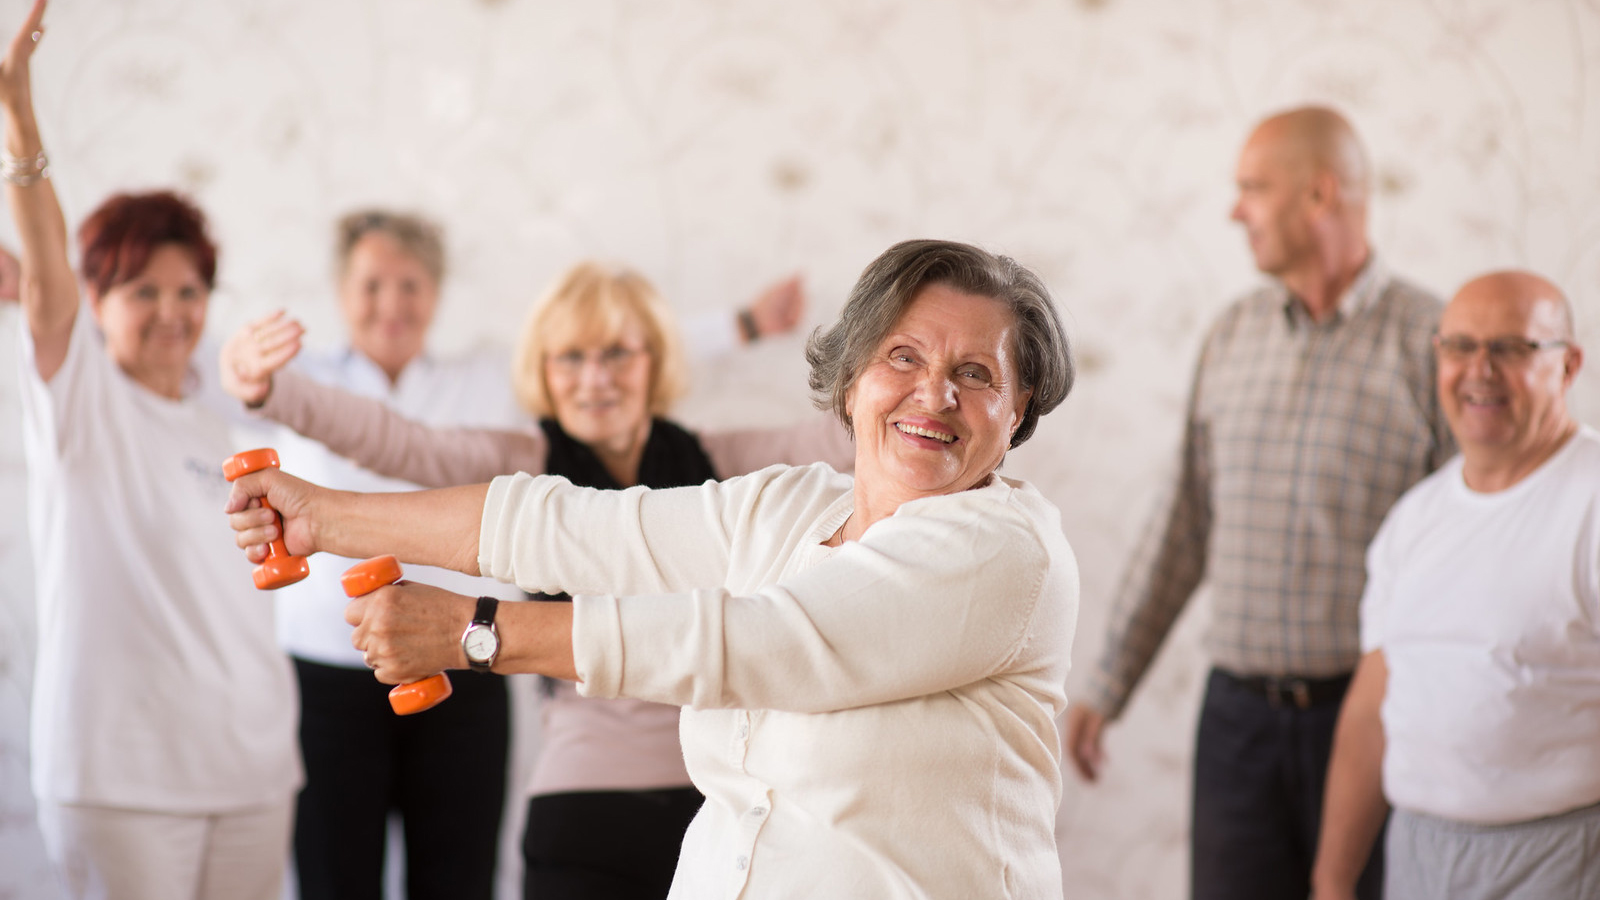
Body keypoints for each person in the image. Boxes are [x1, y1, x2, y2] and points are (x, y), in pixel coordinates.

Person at [224, 238, 1079, 899]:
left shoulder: (1004, 549)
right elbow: (577, 525)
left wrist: (476, 631)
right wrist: (319, 515)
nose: (935, 396)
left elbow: (756, 644)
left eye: (975, 374)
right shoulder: (788, 506)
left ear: (1020, 409)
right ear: (850, 381)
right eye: (903, 357)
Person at [1063, 105, 1455, 900]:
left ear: (1318, 196)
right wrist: (1110, 681)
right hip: (1236, 725)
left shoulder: (1437, 342)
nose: (1234, 210)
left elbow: (1467, 554)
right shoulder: (1230, 336)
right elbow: (1185, 521)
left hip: (1376, 721)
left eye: (1252, 188)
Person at [2, 2, 299, 898]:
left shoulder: (230, 413)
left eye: (188, 289)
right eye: (141, 290)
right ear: (98, 302)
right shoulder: (80, 397)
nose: (171, 311)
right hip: (120, 779)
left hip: (252, 768)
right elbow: (46, 270)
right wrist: (18, 113)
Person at [1311, 271, 1600, 900]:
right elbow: (1369, 715)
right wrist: (1332, 881)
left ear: (1569, 365)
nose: (1480, 370)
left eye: (1511, 348)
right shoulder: (1414, 518)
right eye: (1460, 346)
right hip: (1416, 853)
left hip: (1562, 857)